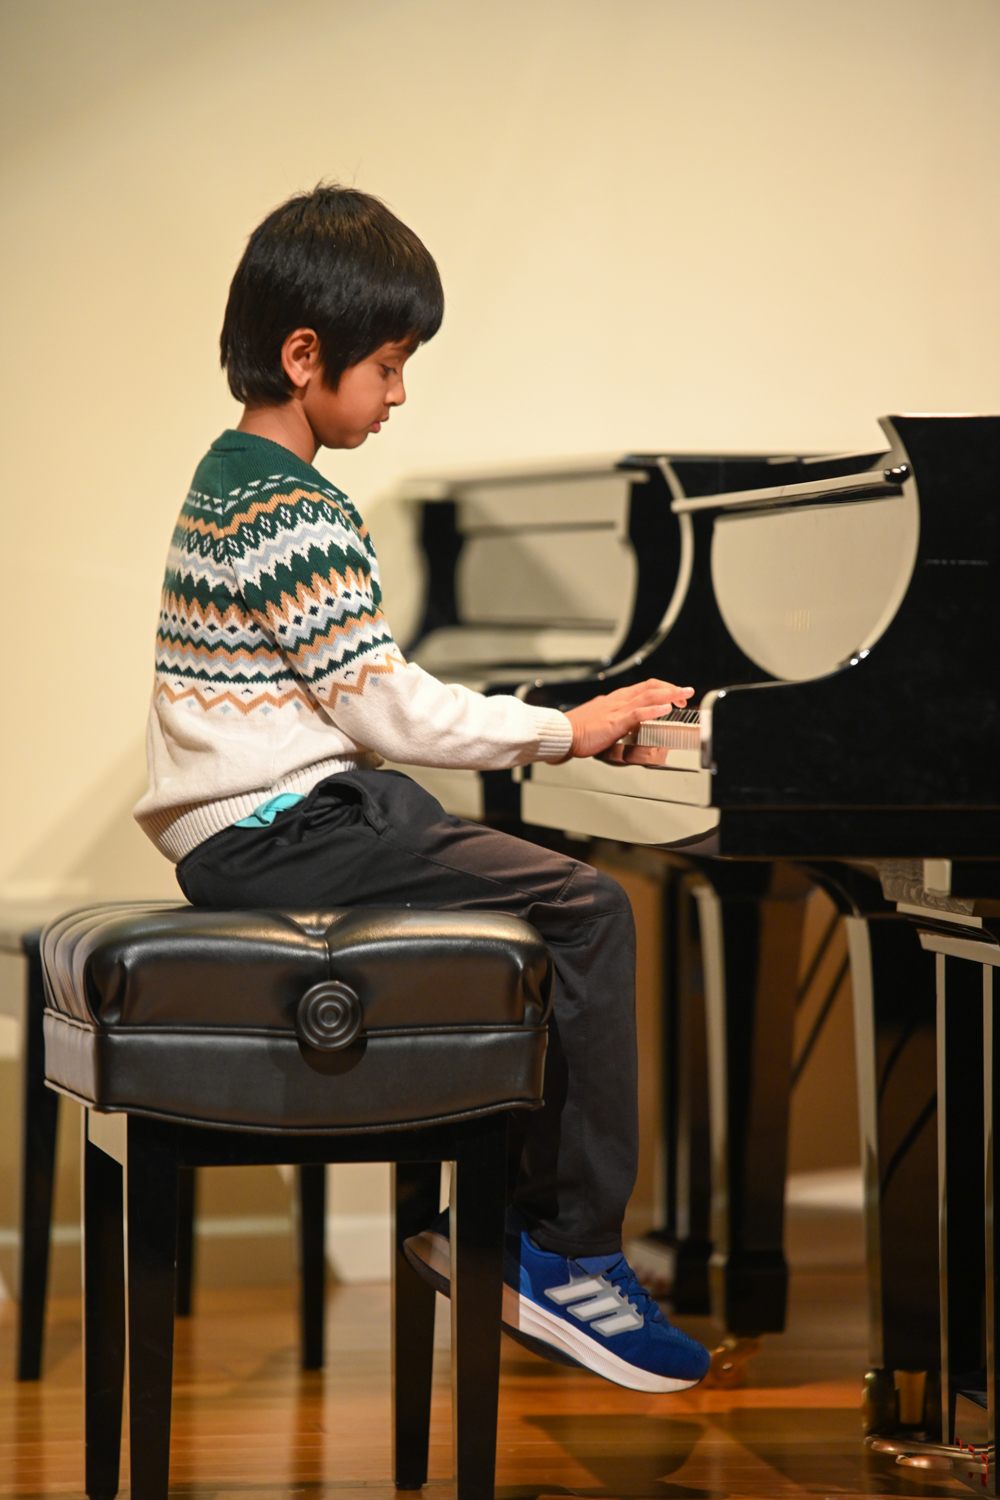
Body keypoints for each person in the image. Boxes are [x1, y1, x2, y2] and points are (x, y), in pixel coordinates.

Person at [134, 183, 710, 1393]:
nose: (398, 394)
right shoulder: (291, 509)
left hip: (257, 829)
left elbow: (360, 711)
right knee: (588, 909)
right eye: (388, 367)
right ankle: (569, 1256)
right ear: (306, 358)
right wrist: (565, 729)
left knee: (500, 882)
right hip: (285, 831)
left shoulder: (228, 479)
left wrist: (547, 737)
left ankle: (497, 1225)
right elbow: (387, 711)